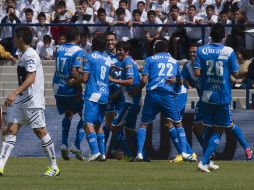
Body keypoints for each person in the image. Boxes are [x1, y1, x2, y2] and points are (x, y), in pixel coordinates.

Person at [0, 26, 60, 177]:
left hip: (33, 100)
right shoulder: (24, 54)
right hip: (22, 100)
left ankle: (54, 167)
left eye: (14, 37)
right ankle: (0, 166)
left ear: (20, 39)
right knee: (11, 130)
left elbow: (31, 78)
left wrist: (14, 93)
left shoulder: (31, 54)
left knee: (40, 131)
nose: (12, 39)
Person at [194, 23, 252, 173]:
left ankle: (209, 161)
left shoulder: (201, 50)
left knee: (208, 128)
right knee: (219, 130)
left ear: (210, 35)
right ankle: (204, 161)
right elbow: (235, 72)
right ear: (224, 36)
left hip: (207, 95)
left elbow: (197, 74)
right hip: (222, 95)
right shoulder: (228, 51)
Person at [135, 40, 194, 161]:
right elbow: (179, 80)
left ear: (155, 49)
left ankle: (139, 153)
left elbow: (145, 80)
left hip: (152, 94)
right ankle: (184, 152)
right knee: (178, 123)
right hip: (167, 95)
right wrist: (176, 85)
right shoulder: (174, 61)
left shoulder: (150, 59)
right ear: (167, 50)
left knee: (144, 124)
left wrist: (137, 89)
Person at [69, 34, 112, 161]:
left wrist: (73, 82)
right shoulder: (108, 59)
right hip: (105, 94)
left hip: (92, 94)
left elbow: (85, 78)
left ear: (93, 45)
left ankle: (95, 152)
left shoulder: (89, 57)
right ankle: (103, 154)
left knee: (87, 123)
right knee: (98, 125)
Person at [53, 27, 85, 161]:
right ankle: (76, 145)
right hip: (69, 89)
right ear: (77, 37)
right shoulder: (79, 50)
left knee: (68, 113)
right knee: (85, 116)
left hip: (57, 87)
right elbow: (73, 71)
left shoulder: (59, 48)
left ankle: (64, 144)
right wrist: (79, 86)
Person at [109, 41, 142, 159]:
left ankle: (126, 153)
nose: (118, 52)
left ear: (126, 52)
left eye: (120, 50)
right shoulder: (128, 61)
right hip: (131, 101)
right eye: (117, 50)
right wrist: (112, 96)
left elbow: (131, 81)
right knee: (130, 130)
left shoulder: (127, 62)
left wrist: (113, 80)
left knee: (114, 126)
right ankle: (140, 154)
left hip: (130, 103)